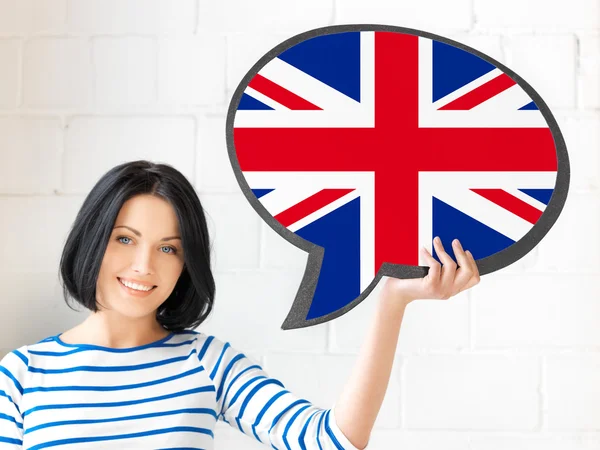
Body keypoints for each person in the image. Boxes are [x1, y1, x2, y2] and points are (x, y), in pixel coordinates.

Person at [0, 160, 481, 449]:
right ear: (91, 240)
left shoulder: (204, 362)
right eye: (125, 239)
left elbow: (333, 441)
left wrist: (391, 302)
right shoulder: (21, 374)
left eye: (169, 248)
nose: (144, 265)